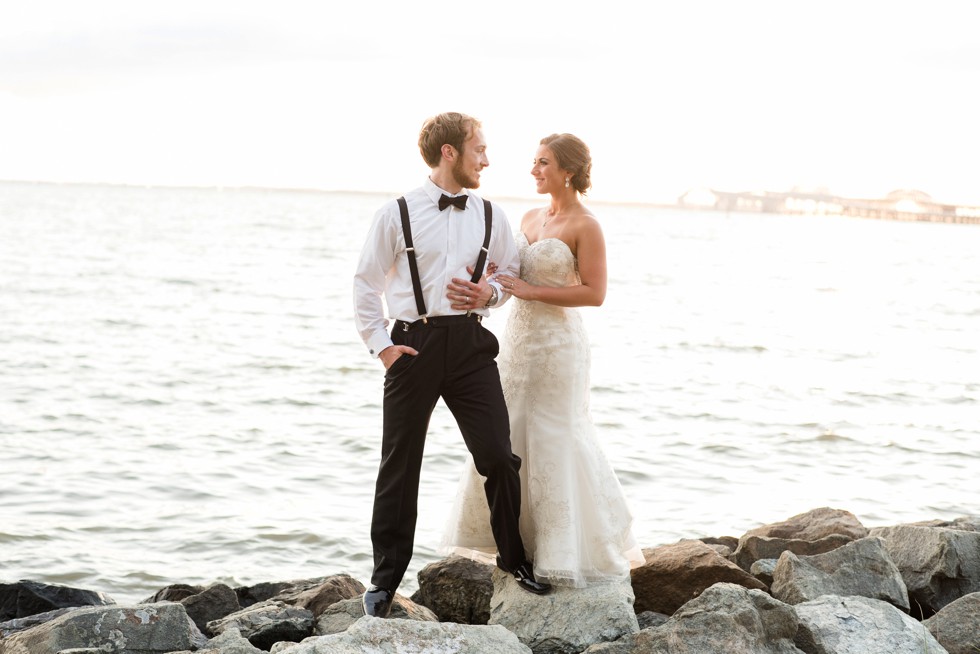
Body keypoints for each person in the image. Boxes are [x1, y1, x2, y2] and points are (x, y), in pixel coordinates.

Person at [352, 112, 552, 618]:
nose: (486, 158)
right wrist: (382, 346)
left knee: (499, 457)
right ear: (449, 152)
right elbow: (365, 283)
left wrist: (491, 292)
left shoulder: (491, 214)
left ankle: (514, 559)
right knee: (400, 466)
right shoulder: (396, 213)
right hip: (412, 347)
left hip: (469, 347)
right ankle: (384, 580)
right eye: (478, 148)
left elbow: (508, 273)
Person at [441, 133, 645, 587]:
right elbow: (508, 273)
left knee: (555, 434)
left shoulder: (586, 225)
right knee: (507, 432)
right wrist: (488, 283)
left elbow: (594, 293)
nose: (534, 170)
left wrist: (530, 291)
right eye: (533, 162)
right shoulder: (530, 217)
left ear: (567, 170)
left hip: (558, 345)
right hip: (517, 342)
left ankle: (562, 549)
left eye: (543, 163)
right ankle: (514, 543)